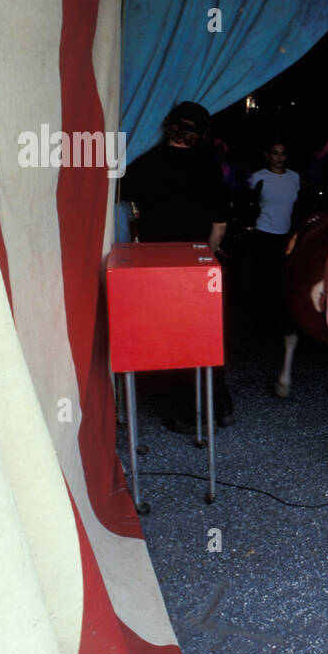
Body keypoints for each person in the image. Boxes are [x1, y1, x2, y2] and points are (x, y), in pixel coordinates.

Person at [122, 101, 236, 427]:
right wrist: (205, 256)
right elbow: (220, 224)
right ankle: (219, 406)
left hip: (156, 265)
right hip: (195, 261)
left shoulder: (145, 164)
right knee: (205, 333)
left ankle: (184, 415)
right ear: (201, 134)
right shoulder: (209, 166)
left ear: (168, 125)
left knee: (171, 336)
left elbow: (116, 192)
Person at [243, 138, 301, 341]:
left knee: (283, 284)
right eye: (274, 153)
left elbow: (296, 208)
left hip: (285, 237)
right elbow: (246, 206)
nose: (279, 158)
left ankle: (278, 330)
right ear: (267, 155)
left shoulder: (294, 177)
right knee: (261, 284)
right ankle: (257, 332)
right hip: (262, 235)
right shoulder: (258, 177)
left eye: (282, 153)